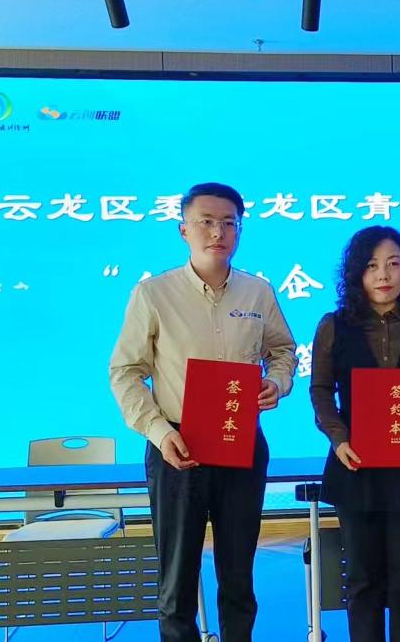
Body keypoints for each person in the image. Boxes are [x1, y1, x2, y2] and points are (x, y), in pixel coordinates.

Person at [110, 182, 297, 642]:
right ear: (183, 230)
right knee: (176, 581)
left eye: (229, 223)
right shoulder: (154, 294)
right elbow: (126, 372)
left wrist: (277, 382)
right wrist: (158, 431)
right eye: (207, 222)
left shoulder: (257, 292)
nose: (219, 232)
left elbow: (283, 350)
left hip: (240, 442)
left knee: (239, 575)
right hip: (178, 445)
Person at [309, 226, 400, 642]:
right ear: (357, 273)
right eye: (372, 266)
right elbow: (320, 390)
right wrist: (338, 437)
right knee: (363, 578)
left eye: (393, 263)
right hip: (356, 462)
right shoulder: (334, 325)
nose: (384, 274)